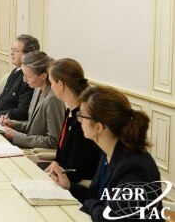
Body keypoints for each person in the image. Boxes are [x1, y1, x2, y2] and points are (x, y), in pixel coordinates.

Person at [49, 86, 163, 221]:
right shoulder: (107, 153)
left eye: (81, 116)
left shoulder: (134, 168)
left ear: (98, 127)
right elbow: (96, 197)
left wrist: (90, 204)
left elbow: (108, 216)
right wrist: (69, 186)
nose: (78, 120)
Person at [43, 58, 100, 182]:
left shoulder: (82, 119)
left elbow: (76, 171)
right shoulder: (70, 111)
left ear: (60, 84)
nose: (51, 86)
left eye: (51, 82)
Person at [0, 51, 65, 149]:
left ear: (43, 76)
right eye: (24, 75)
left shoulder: (53, 99)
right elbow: (34, 126)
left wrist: (16, 136)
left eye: (28, 76)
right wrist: (13, 124)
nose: (24, 80)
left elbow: (53, 141)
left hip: (35, 154)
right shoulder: (37, 89)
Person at [0, 34, 40, 121]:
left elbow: (22, 112)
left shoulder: (29, 79)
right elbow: (3, 96)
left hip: (9, 124)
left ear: (28, 54)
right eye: (12, 49)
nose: (11, 53)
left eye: (15, 50)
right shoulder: (15, 71)